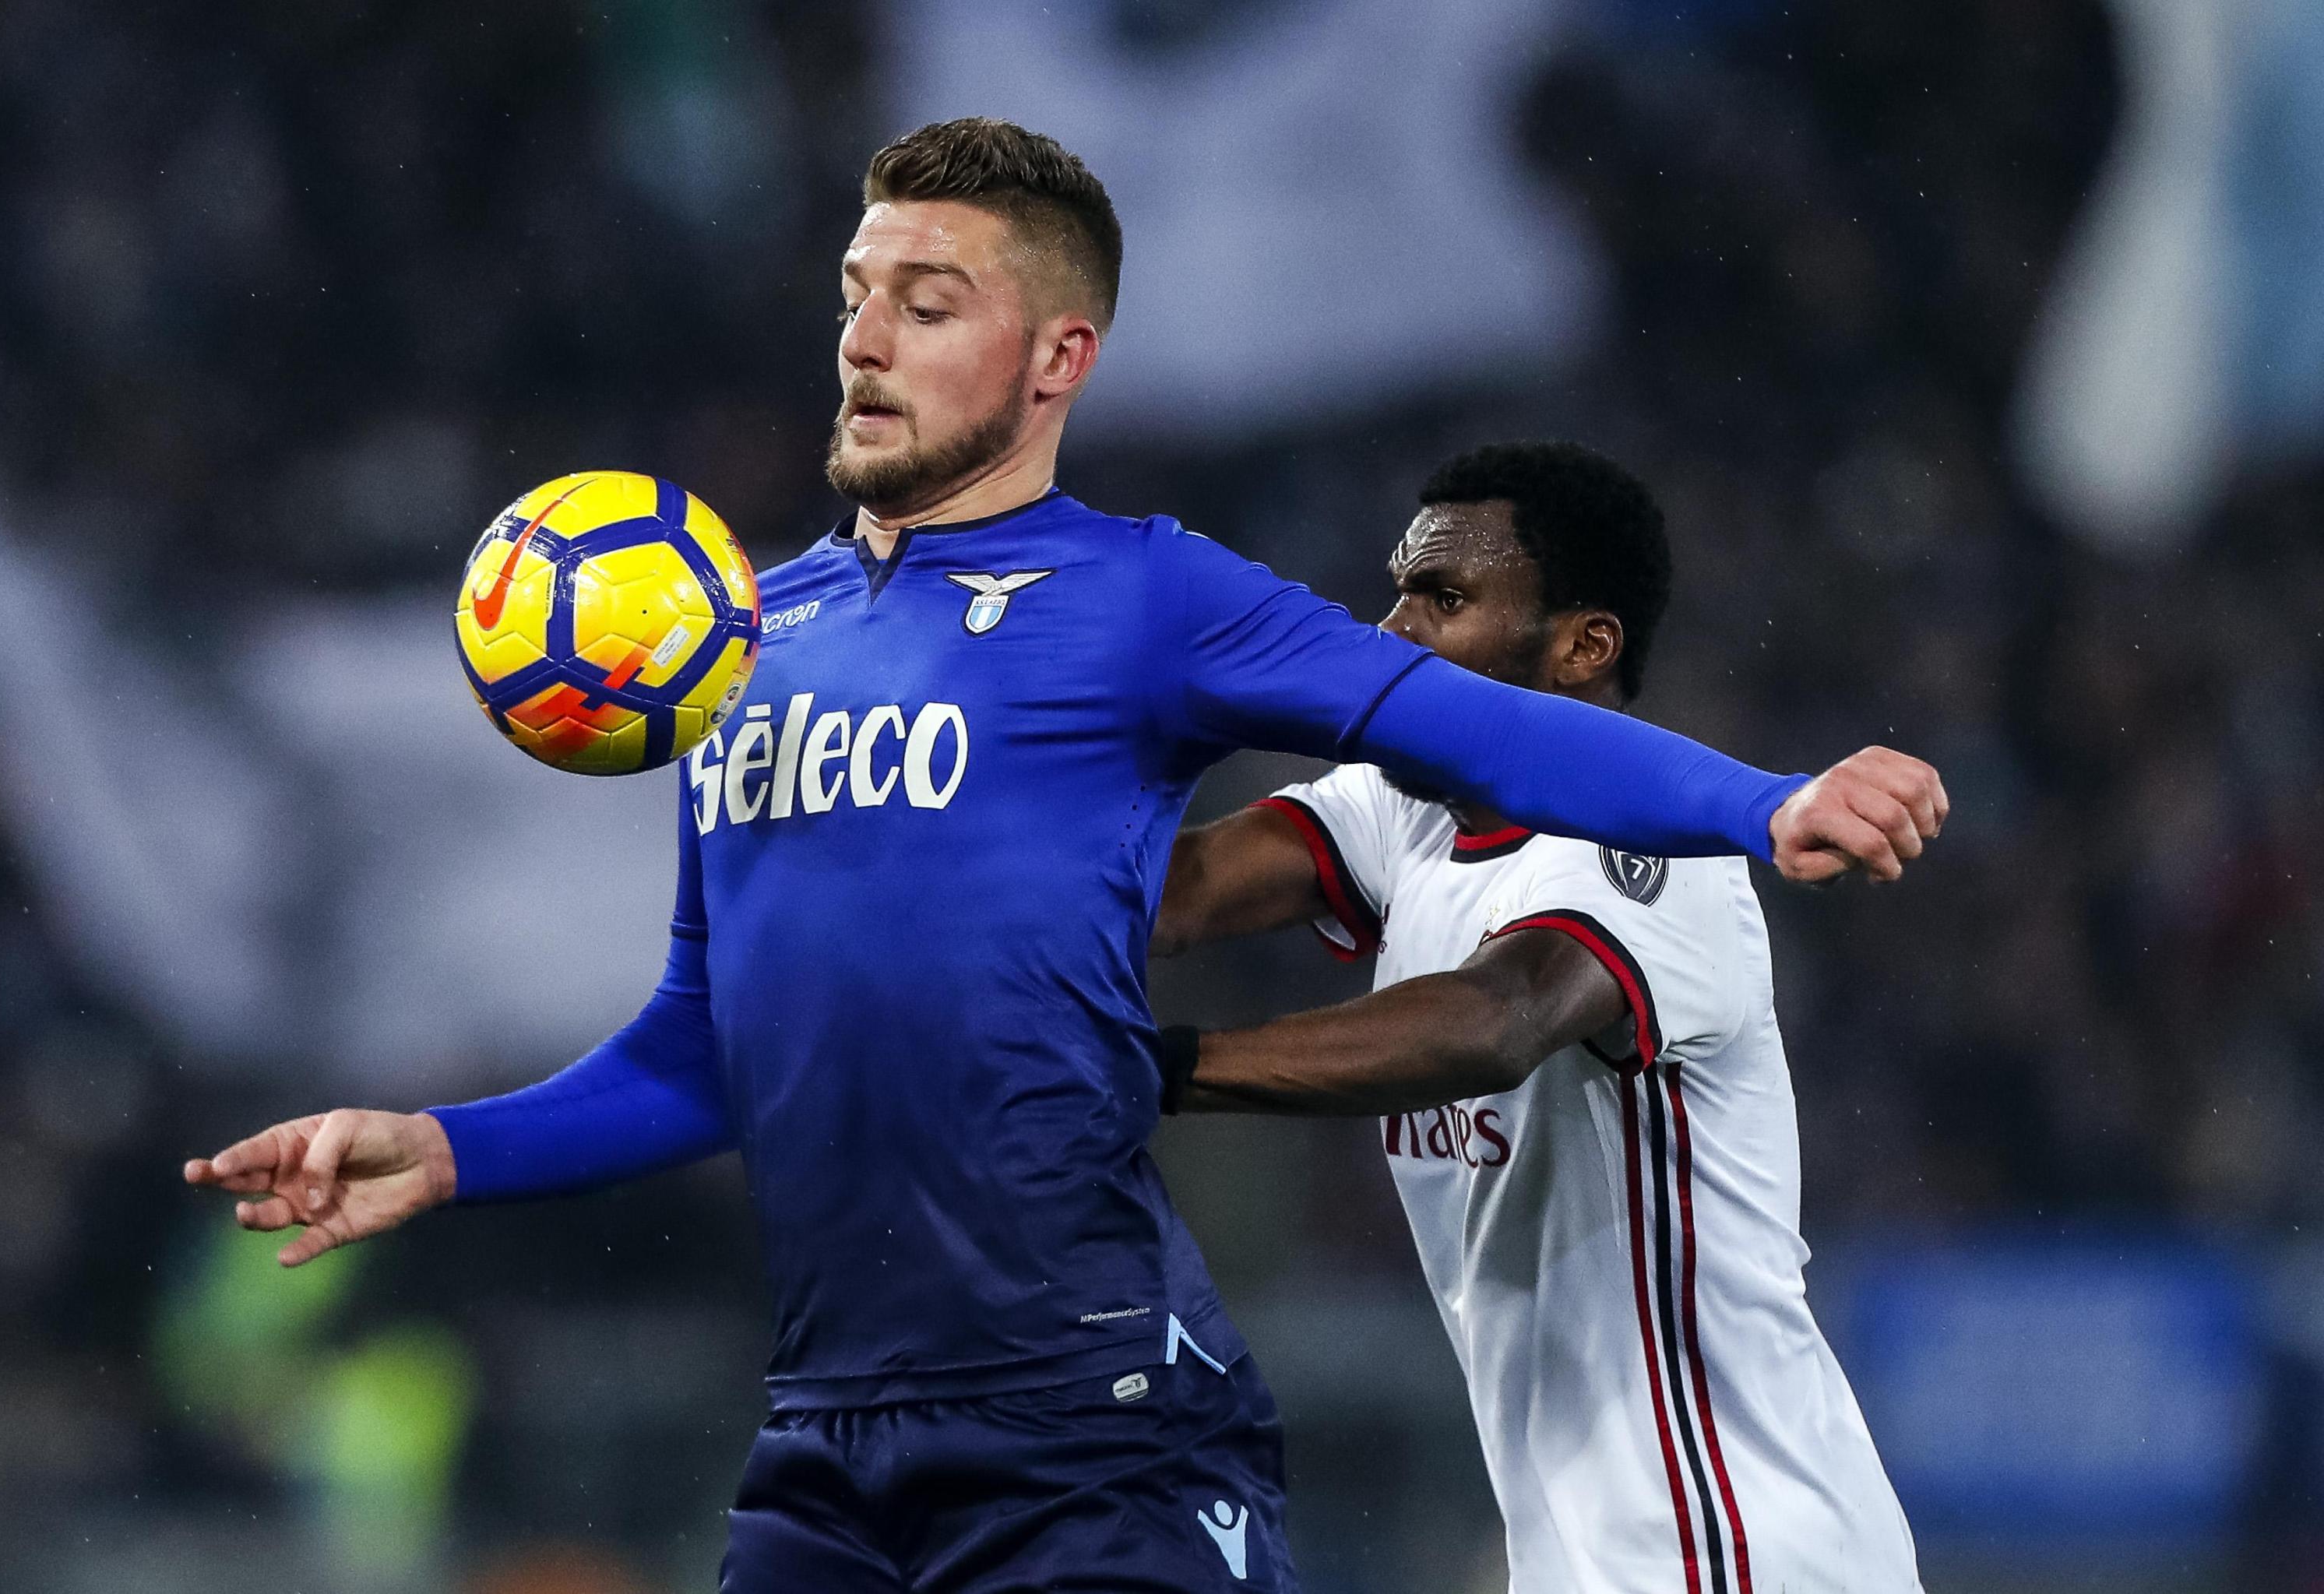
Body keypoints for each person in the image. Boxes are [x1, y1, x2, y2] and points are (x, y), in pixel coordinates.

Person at [184, 121, 1945, 1592]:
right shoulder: (742, 646)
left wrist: (1758, 802)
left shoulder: (1147, 594)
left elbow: (1465, 733)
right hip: (824, 1440)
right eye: (856, 294)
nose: (865, 337)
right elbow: (715, 1045)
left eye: (926, 301)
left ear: (1055, 360)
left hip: (1093, 1419)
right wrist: (448, 1148)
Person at [1150, 440, 1924, 1594]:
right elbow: (1182, 891)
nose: (1392, 632)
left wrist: (1156, 1069)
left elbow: (1491, 1022)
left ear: (1583, 646)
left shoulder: (1657, 849)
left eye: (1445, 599)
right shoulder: (1407, 811)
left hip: (1744, 1551)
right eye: (1400, 590)